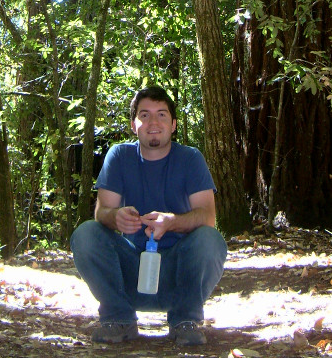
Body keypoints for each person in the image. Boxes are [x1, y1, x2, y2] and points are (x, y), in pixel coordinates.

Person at [70, 85, 227, 346]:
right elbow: (101, 212)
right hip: (129, 274)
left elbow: (207, 217)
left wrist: (173, 222)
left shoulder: (190, 159)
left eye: (162, 115)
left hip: (178, 276)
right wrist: (115, 216)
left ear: (174, 124)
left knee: (209, 239)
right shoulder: (119, 156)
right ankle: (118, 318)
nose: (153, 122)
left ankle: (185, 320)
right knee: (85, 233)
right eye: (144, 115)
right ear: (134, 124)